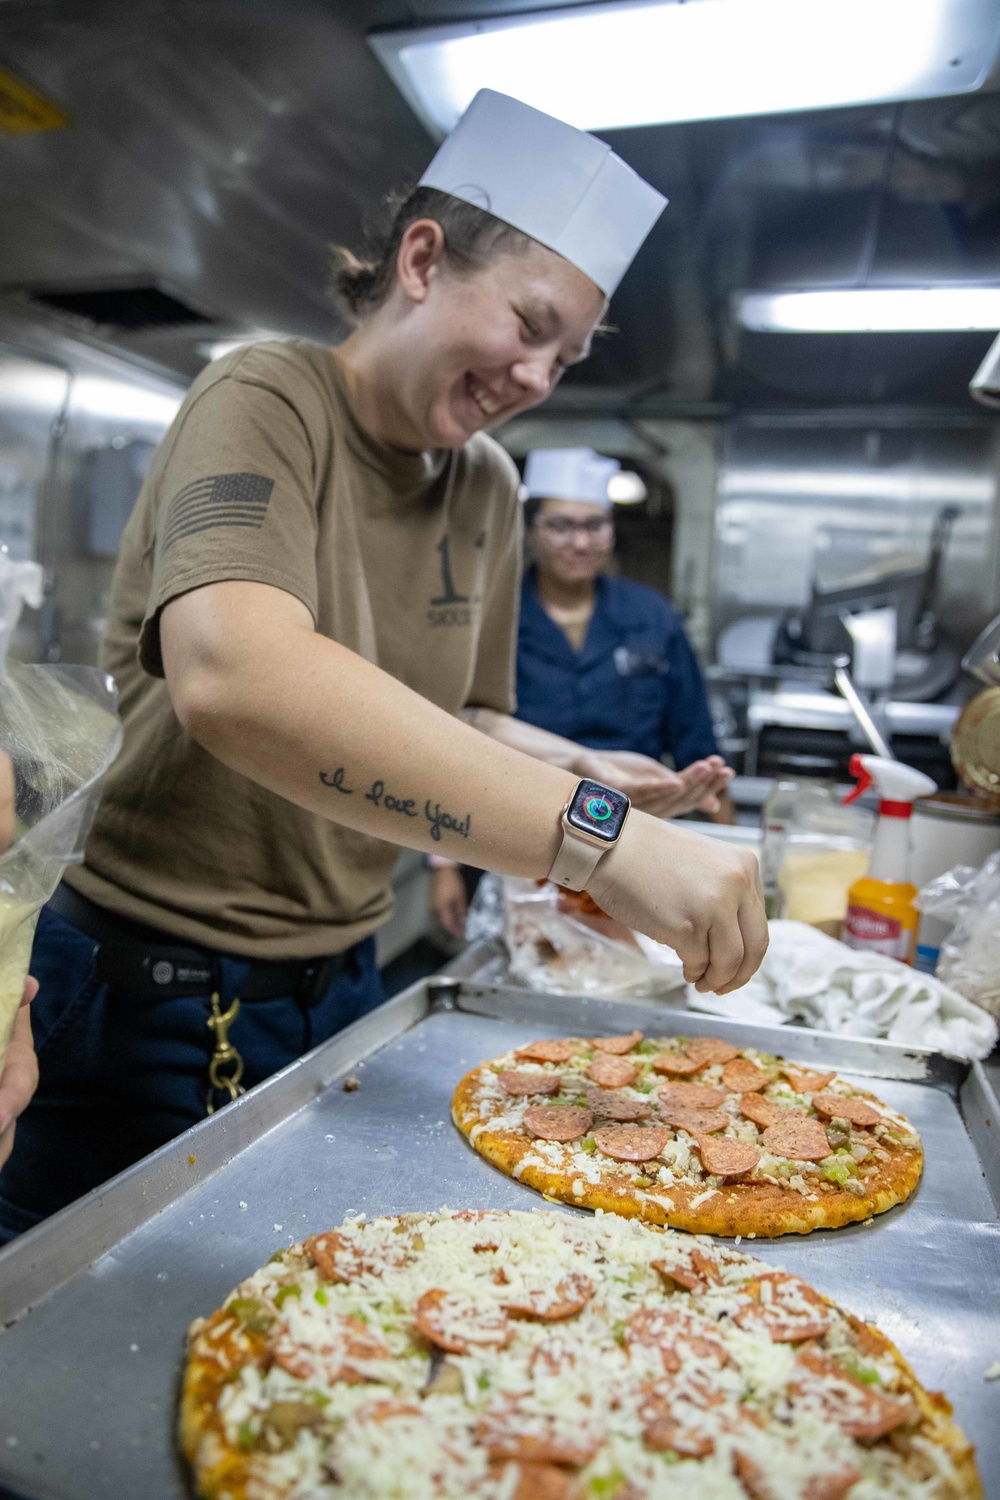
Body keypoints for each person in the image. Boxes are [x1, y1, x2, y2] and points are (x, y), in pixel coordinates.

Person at [0, 90, 765, 1242]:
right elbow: (235, 678)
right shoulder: (268, 398)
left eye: (566, 355)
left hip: (343, 975)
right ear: (420, 259)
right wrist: (599, 839)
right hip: (153, 990)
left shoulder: (490, 487)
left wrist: (586, 773)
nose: (538, 377)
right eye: (528, 323)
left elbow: (464, 715)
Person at [430, 446, 734, 937]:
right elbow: (456, 731)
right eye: (561, 526)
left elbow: (696, 739)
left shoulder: (650, 616)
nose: (580, 542)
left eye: (595, 526)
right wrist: (442, 865)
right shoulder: (494, 618)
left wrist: (723, 848)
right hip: (511, 836)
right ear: (529, 532)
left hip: (633, 838)